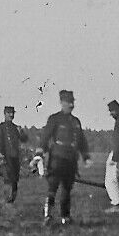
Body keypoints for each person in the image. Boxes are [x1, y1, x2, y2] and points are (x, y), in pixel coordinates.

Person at [39, 89, 90, 226]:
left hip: (71, 161)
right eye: (68, 102)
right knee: (52, 188)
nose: (71, 105)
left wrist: (85, 156)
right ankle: (47, 216)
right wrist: (39, 153)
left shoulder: (76, 121)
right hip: (57, 159)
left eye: (72, 102)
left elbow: (81, 140)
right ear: (62, 103)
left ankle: (65, 217)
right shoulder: (54, 119)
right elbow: (45, 137)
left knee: (67, 190)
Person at [0, 105, 27, 204]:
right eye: (9, 113)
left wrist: (22, 132)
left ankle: (12, 199)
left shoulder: (16, 128)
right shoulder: (1, 127)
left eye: (12, 113)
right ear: (5, 114)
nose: (11, 115)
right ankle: (7, 198)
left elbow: (24, 139)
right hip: (6, 156)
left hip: (15, 156)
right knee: (8, 178)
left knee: (15, 178)